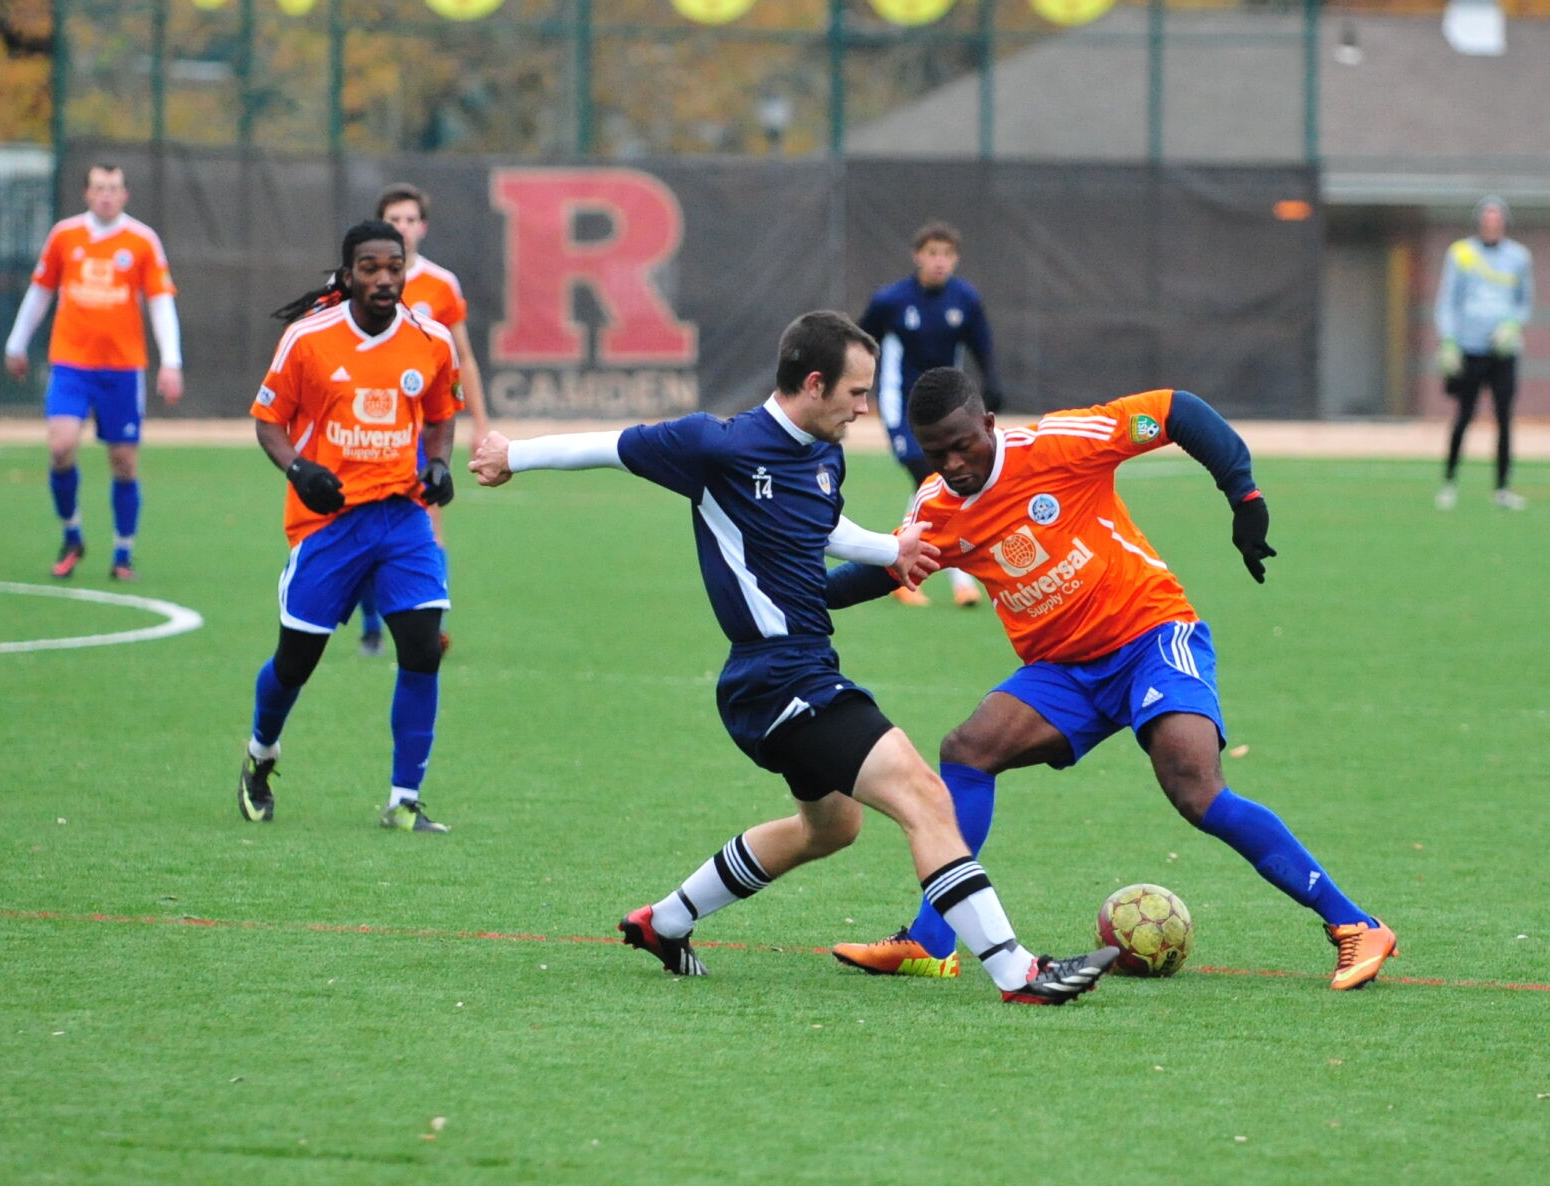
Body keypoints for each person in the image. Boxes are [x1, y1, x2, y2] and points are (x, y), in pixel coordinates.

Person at [468, 310, 1117, 1004]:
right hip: (776, 674)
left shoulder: (822, 453)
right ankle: (1016, 971)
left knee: (831, 827)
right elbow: (611, 445)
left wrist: (888, 550)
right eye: (855, 393)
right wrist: (513, 455)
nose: (865, 409)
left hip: (796, 671)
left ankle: (665, 921)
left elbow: (820, 522)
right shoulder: (713, 445)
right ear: (814, 383)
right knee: (925, 795)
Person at [825, 367, 1399, 991]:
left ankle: (1354, 924)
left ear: (988, 422)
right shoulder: (936, 507)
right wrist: (796, 596)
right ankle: (931, 943)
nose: (954, 462)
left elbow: (1178, 410)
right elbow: (885, 573)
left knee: (1193, 787)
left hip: (1152, 636)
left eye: (963, 443)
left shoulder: (1059, 445)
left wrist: (1245, 497)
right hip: (1064, 672)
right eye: (936, 453)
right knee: (968, 750)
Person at [236, 220, 462, 834]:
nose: (385, 278)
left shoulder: (431, 340)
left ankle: (404, 800)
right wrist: (299, 469)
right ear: (347, 274)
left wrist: (438, 463)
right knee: (295, 663)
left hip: (401, 518)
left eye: (394, 266)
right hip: (327, 523)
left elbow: (441, 415)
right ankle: (260, 755)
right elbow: (268, 422)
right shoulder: (307, 340)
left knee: (421, 648)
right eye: (370, 267)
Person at [3, 163, 184, 580]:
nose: (106, 195)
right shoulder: (65, 235)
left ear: (125, 195)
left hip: (121, 369)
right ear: (86, 193)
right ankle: (72, 535)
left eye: (114, 188)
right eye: (99, 188)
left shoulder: (142, 240)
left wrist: (170, 361)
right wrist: (16, 343)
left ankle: (122, 554)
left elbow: (159, 301)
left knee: (123, 461)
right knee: (61, 447)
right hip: (70, 363)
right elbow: (40, 290)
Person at [351, 182, 490, 655]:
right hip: (367, 428)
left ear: (423, 227)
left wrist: (481, 423)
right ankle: (370, 621)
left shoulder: (440, 285)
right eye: (395, 220)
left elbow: (462, 358)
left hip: (422, 427)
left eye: (411, 220)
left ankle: (434, 622)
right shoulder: (357, 283)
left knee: (430, 520)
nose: (403, 228)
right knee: (366, 524)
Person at [858, 222, 1000, 608]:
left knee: (938, 484)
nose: (939, 262)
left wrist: (992, 385)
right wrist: (857, 389)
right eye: (932, 253)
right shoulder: (891, 301)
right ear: (917, 255)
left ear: (955, 259)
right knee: (934, 480)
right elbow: (859, 341)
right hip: (899, 406)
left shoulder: (965, 299)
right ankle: (948, 578)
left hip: (946, 409)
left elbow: (982, 345)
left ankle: (915, 573)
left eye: (947, 255)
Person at [1434, 196, 1532, 511]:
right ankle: (1449, 483)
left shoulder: (1518, 257)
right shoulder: (1461, 253)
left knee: (1504, 418)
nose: (1492, 225)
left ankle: (1502, 488)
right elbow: (1448, 299)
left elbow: (1524, 302)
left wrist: (1512, 325)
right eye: (1487, 220)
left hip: (1502, 351)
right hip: (1469, 348)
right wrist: (1449, 340)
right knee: (1464, 416)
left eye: (1497, 220)